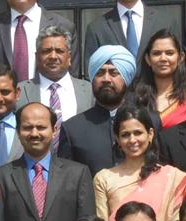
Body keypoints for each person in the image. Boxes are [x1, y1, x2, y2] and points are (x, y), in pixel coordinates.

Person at [0, 101, 94, 221]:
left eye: (41, 127)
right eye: (27, 128)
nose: (34, 133)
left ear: (54, 130)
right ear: (18, 132)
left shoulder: (78, 173)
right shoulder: (2, 176)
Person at [94, 105, 186, 221]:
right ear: (117, 139)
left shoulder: (173, 177)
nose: (132, 140)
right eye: (125, 135)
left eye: (138, 133)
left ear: (150, 134)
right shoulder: (104, 178)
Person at [60, 45, 154, 176]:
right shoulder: (73, 129)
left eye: (114, 73)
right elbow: (67, 181)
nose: (106, 79)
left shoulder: (151, 121)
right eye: (99, 73)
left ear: (126, 78)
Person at [16, 26, 92, 149]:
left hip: (79, 166)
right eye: (46, 51)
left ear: (69, 57)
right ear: (36, 56)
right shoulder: (20, 92)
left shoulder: (89, 91)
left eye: (59, 51)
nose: (53, 56)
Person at [131, 29, 186, 130]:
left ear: (181, 58)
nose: (163, 58)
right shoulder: (135, 99)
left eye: (169, 53)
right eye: (156, 53)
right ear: (148, 59)